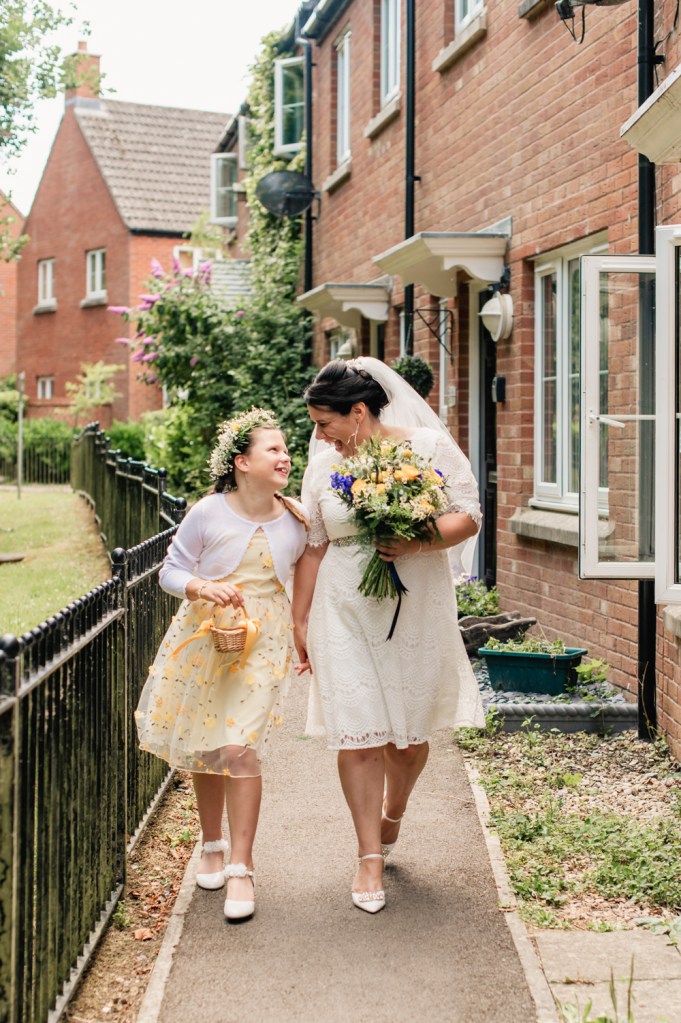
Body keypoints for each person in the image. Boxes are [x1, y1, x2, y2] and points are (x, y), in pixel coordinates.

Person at [292, 358, 485, 914]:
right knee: (358, 732)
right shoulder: (325, 465)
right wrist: (299, 621)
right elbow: (314, 543)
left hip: (414, 602)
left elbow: (467, 516)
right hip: (343, 607)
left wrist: (416, 541)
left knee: (407, 740)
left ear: (358, 413)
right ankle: (368, 855)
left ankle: (393, 811)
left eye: (325, 423)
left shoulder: (426, 447)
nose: (319, 435)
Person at [135, 408, 308, 922]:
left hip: (265, 641)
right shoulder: (208, 513)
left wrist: (306, 633)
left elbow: (312, 570)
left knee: (239, 747)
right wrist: (201, 586)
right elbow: (170, 570)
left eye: (285, 449)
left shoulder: (297, 518)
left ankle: (240, 865)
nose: (285, 456)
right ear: (242, 462)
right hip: (208, 636)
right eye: (273, 449)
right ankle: (210, 843)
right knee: (206, 744)